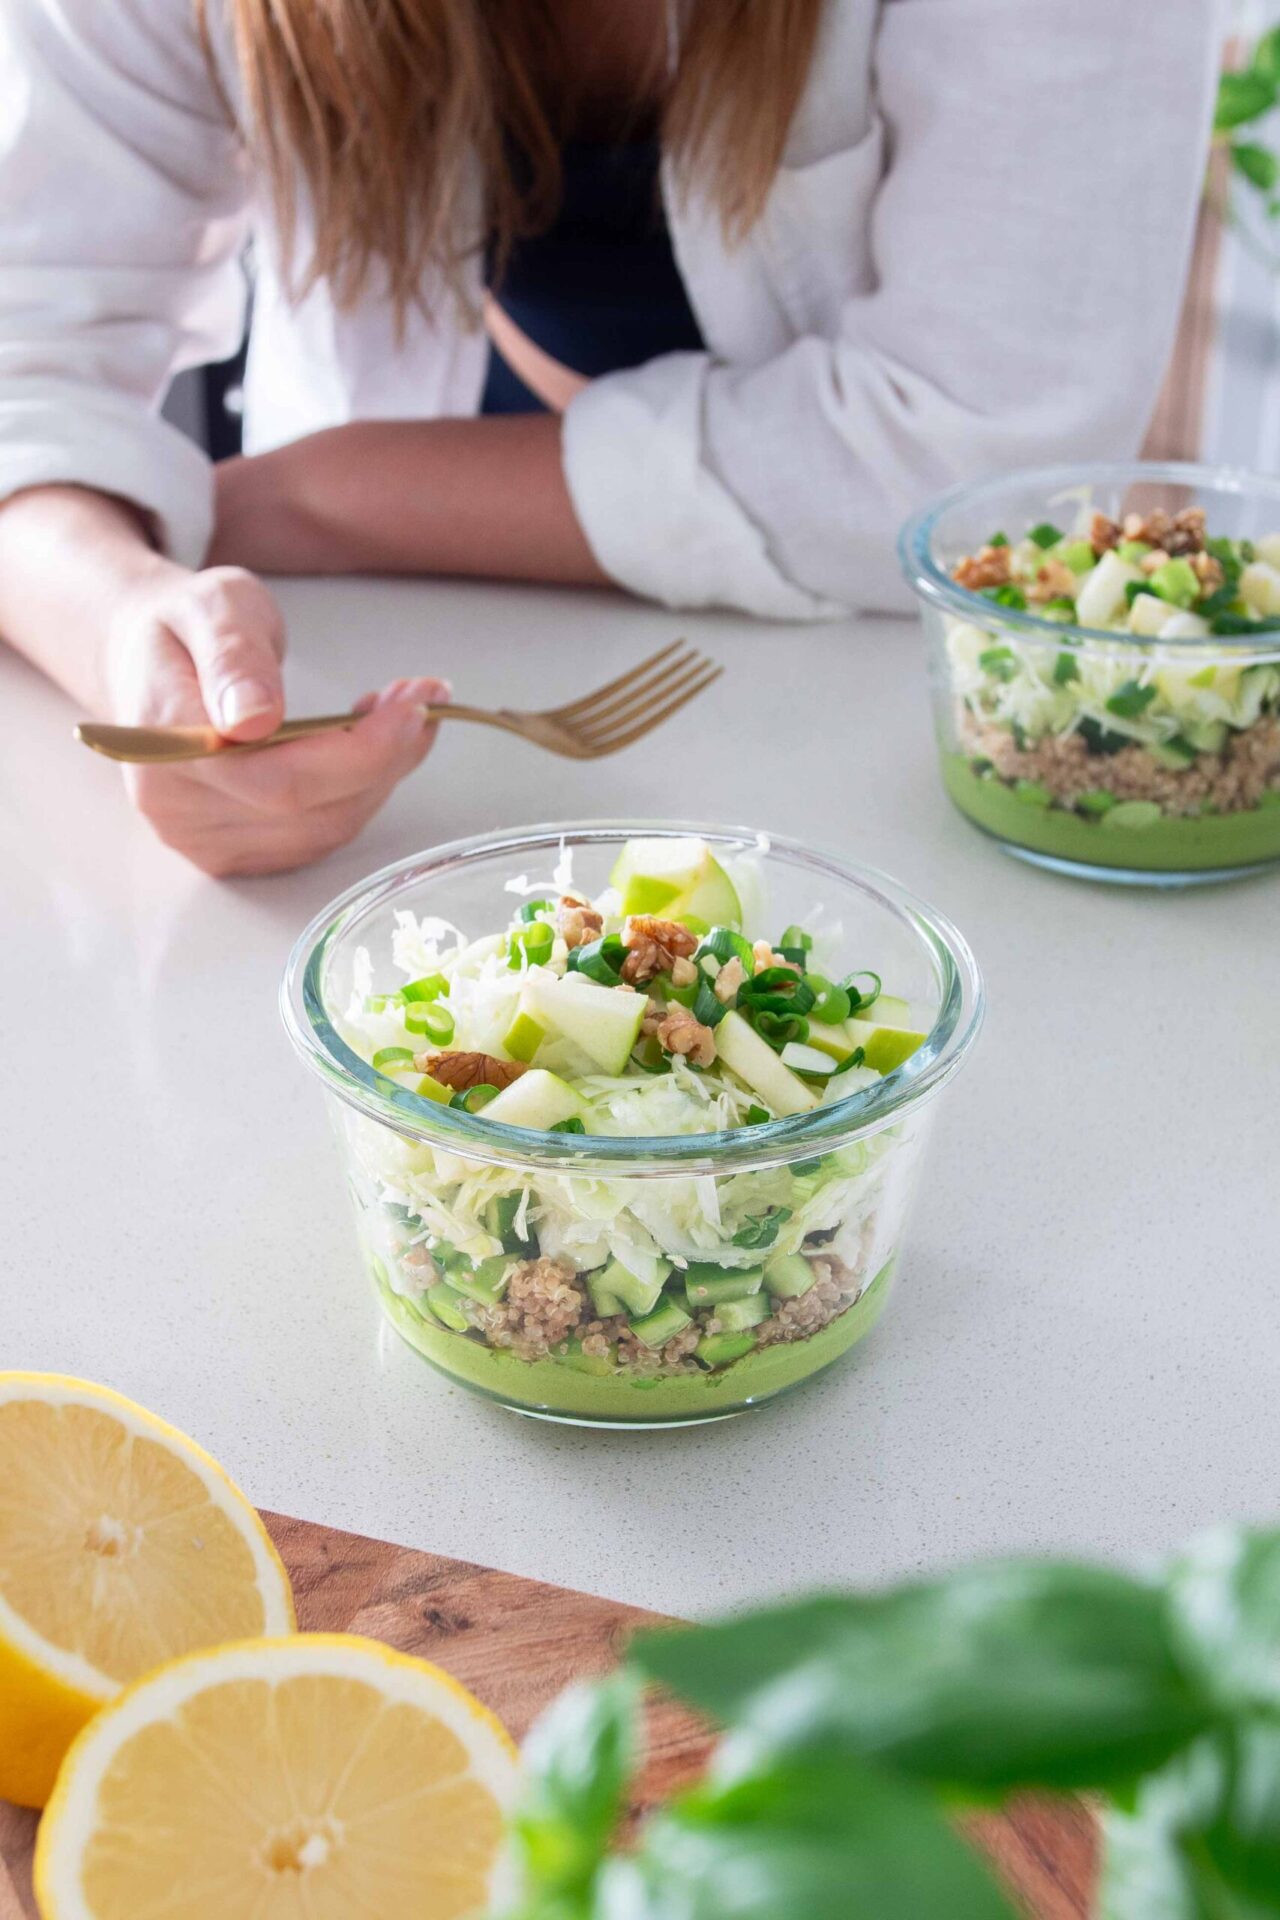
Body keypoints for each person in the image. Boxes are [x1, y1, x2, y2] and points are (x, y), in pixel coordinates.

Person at [0, 0, 1219, 876]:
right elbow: (25, 357)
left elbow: (975, 461)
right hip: (377, 719)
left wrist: (327, 491)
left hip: (873, 731)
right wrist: (122, 622)